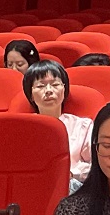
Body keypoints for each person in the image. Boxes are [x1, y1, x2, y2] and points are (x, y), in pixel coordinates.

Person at [24, 60, 91, 191]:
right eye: (40, 86)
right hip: (32, 187)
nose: (49, 90)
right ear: (30, 94)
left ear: (64, 89)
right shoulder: (23, 129)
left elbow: (95, 165)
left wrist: (71, 174)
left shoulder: (82, 125)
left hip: (73, 187)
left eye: (55, 84)